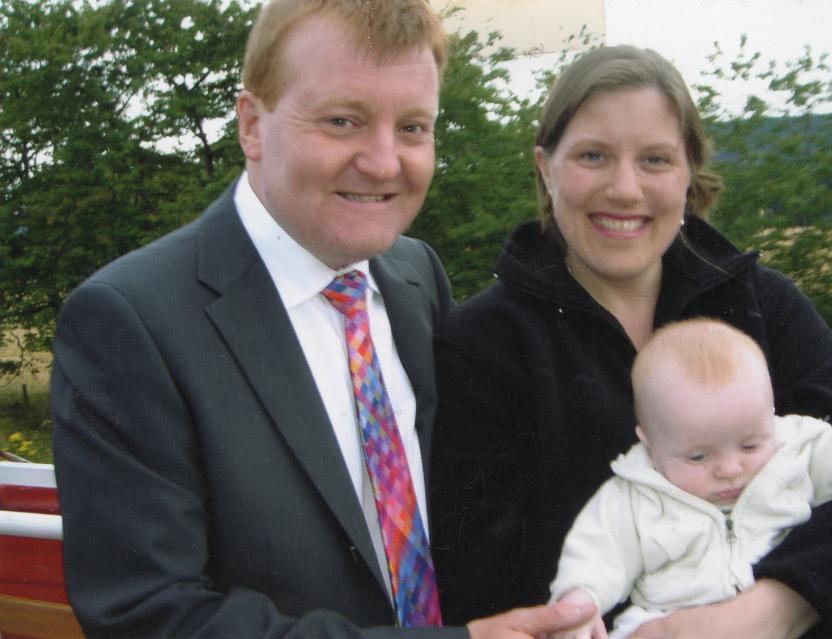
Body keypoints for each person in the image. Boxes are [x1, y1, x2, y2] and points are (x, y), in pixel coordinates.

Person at [49, 1, 595, 637]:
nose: (386, 162)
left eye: (414, 127)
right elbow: (148, 615)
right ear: (251, 125)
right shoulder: (131, 322)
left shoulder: (417, 277)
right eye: (343, 120)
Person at [429, 45, 832, 639]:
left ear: (689, 173)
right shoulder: (484, 344)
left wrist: (760, 615)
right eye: (593, 155)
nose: (625, 188)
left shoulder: (761, 306)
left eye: (656, 160)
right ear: (545, 165)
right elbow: (482, 577)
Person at [548, 319, 832, 639]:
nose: (730, 468)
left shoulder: (793, 454)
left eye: (749, 445)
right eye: (698, 455)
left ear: (771, 417)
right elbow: (595, 554)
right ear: (650, 442)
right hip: (662, 622)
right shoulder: (635, 495)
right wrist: (578, 603)